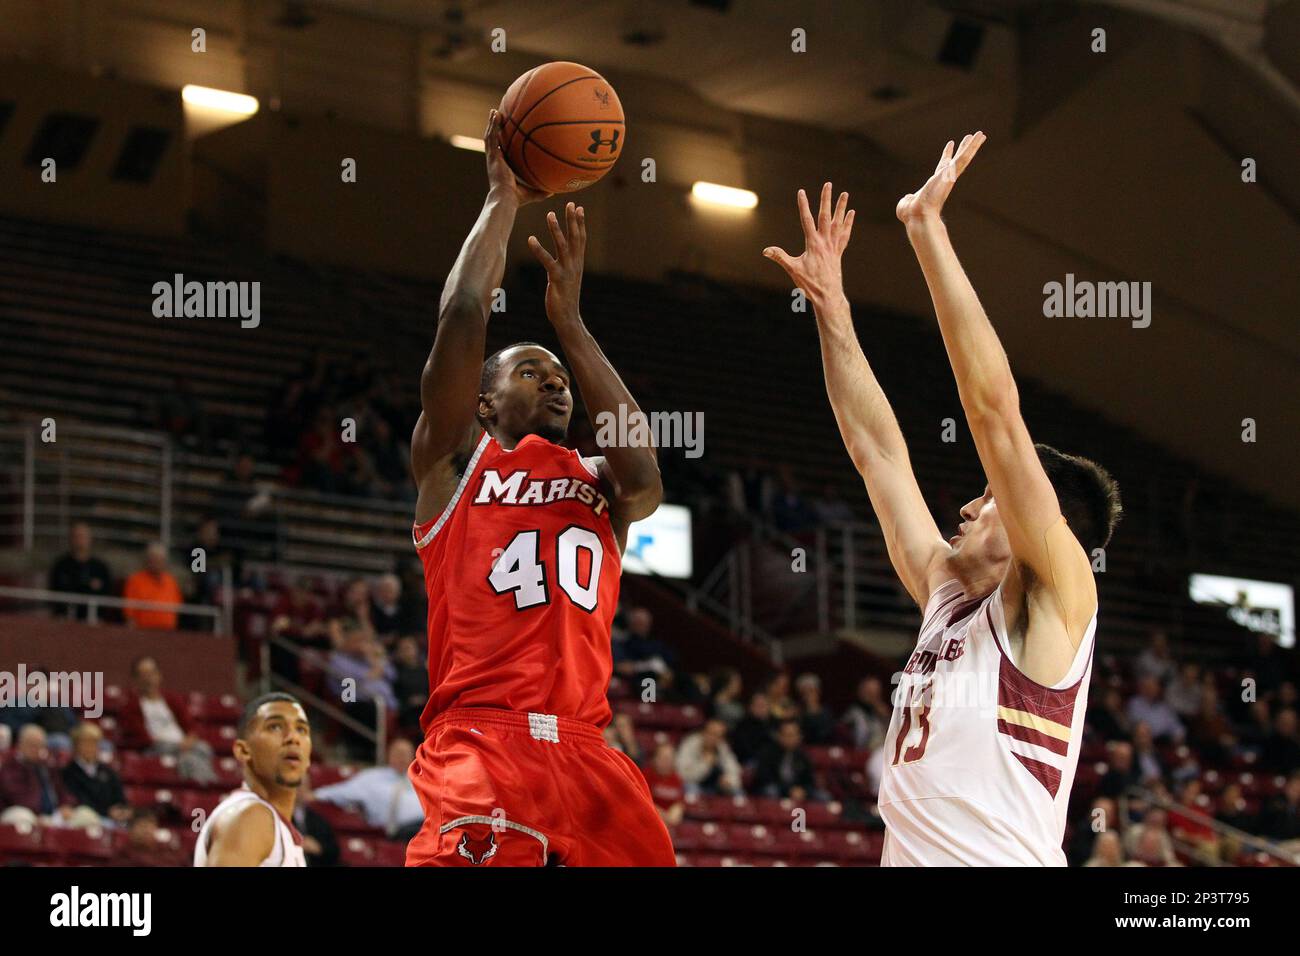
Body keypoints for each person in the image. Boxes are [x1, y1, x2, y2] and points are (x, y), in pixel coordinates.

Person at [761, 137, 1121, 866]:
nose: (964, 508)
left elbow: (992, 411)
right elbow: (877, 452)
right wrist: (832, 310)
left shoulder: (1058, 593)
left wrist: (926, 230)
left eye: (987, 500)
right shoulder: (948, 593)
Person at [402, 110, 674, 867]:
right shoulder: (457, 463)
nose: (555, 384)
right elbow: (461, 314)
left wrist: (571, 325)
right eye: (531, 371)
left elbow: (647, 475)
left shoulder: (600, 481)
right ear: (485, 401)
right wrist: (503, 198)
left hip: (588, 753)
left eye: (559, 379)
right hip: (482, 738)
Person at [195, 693, 312, 867]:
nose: (293, 738)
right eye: (275, 727)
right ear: (243, 751)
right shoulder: (251, 816)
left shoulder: (273, 823)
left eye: (301, 729)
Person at [119, 655, 216, 784]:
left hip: (183, 745)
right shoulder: (131, 706)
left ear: (159, 675)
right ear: (136, 679)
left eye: (152, 673)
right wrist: (178, 746)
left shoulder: (172, 700)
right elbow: (142, 739)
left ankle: (206, 787)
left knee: (203, 749)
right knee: (190, 759)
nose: (149, 679)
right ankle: (210, 787)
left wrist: (189, 740)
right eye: (144, 675)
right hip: (157, 747)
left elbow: (191, 727)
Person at [314, 738, 423, 840]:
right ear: (389, 755)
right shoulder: (371, 778)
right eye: (399, 753)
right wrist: (316, 794)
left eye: (406, 754)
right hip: (400, 832)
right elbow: (344, 791)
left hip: (429, 826)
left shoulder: (422, 779)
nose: (402, 757)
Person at [60, 722, 131, 825]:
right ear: (76, 746)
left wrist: (120, 810)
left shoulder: (108, 772)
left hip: (111, 820)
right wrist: (107, 811)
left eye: (94, 743)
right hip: (86, 819)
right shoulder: (68, 772)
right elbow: (78, 801)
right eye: (86, 743)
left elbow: (120, 798)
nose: (90, 747)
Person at [47, 522, 114, 620]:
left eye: (82, 536)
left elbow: (107, 596)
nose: (79, 540)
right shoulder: (61, 566)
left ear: (90, 539)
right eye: (76, 536)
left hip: (93, 620)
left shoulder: (100, 568)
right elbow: (54, 593)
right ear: (70, 538)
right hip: (65, 620)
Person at [753, 718, 820, 801]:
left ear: (799, 737)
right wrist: (788, 790)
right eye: (787, 735)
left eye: (793, 735)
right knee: (771, 791)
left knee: (822, 796)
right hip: (777, 788)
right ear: (779, 736)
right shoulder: (767, 753)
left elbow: (809, 780)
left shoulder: (803, 756)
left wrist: (803, 790)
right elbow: (764, 778)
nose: (790, 739)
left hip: (797, 791)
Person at [122, 541, 184, 630]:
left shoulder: (171, 581)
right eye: (153, 559)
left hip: (168, 632)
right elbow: (129, 611)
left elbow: (178, 606)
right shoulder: (135, 580)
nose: (156, 563)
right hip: (143, 631)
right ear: (147, 560)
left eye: (159, 560)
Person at [676, 719, 743, 797]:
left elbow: (735, 770)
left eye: (718, 735)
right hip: (694, 784)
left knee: (738, 792)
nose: (713, 738)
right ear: (703, 732)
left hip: (716, 787)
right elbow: (683, 775)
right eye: (710, 733)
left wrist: (729, 780)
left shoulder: (723, 747)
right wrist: (705, 764)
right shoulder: (690, 744)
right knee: (691, 789)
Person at [640, 742, 686, 828]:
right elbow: (643, 802)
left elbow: (679, 804)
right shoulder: (645, 775)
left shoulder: (677, 779)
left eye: (670, 759)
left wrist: (674, 815)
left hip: (669, 823)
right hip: (649, 820)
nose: (667, 762)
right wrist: (664, 816)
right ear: (655, 759)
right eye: (664, 758)